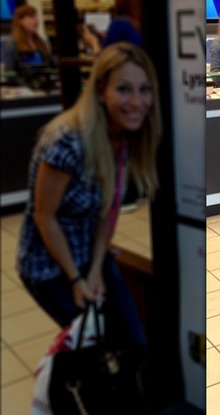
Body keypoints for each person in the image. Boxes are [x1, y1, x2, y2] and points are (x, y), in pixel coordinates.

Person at [16, 42, 162, 350]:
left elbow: (105, 212)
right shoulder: (68, 141)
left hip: (89, 254)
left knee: (134, 342)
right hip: (49, 267)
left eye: (144, 89)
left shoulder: (122, 137)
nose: (137, 102)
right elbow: (45, 216)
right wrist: (76, 279)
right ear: (99, 91)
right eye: (124, 89)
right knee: (94, 348)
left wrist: (95, 268)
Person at [2, 5, 56, 85]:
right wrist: (30, 85)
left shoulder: (42, 42)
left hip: (45, 86)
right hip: (25, 90)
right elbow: (10, 75)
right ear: (20, 21)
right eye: (31, 17)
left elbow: (52, 65)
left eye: (36, 17)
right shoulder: (10, 44)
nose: (36, 21)